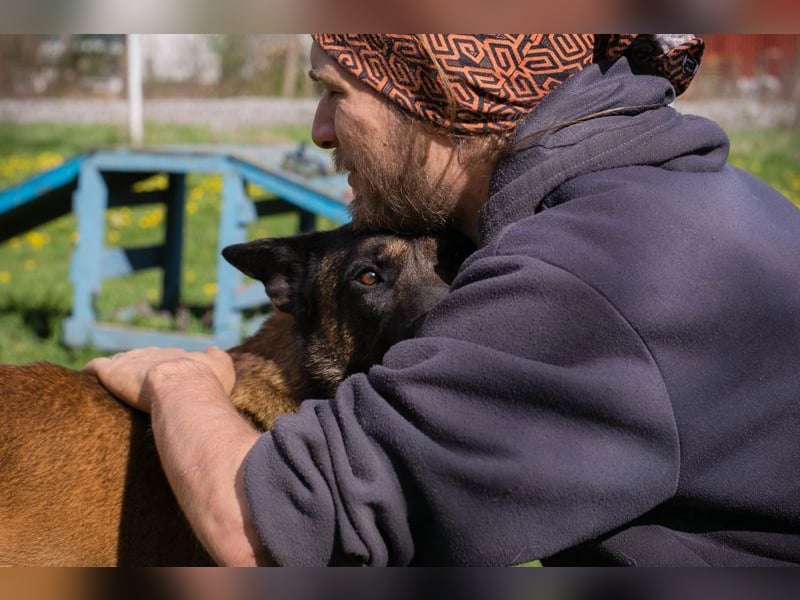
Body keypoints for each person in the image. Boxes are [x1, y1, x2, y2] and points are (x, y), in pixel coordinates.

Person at [85, 34, 800, 566]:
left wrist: (179, 377)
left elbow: (268, 536)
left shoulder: (590, 273)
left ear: (438, 91)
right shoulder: (714, 201)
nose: (320, 130)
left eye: (336, 92)